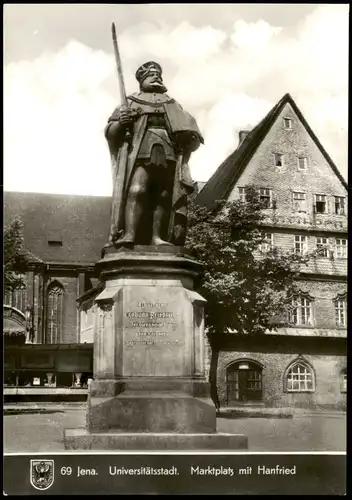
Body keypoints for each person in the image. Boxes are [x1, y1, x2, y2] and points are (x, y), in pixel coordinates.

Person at [104, 61, 204, 249]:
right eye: (151, 75)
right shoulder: (130, 102)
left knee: (163, 195)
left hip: (168, 152)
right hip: (140, 151)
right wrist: (121, 122)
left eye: (158, 74)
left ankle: (158, 237)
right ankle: (130, 234)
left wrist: (191, 136)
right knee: (137, 190)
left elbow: (190, 129)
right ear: (141, 80)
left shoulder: (172, 103)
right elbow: (110, 132)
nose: (156, 77)